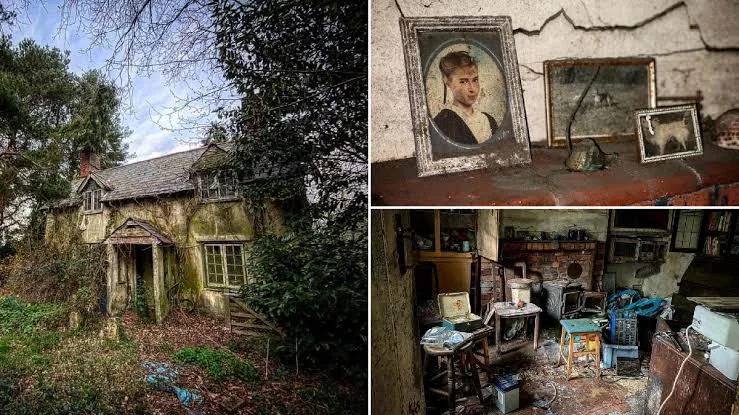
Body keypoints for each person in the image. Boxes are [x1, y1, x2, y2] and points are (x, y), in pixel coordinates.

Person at [433, 51, 498, 145]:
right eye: (463, 82)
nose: (472, 89)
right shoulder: (441, 123)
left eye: (475, 80)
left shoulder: (489, 120)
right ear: (447, 81)